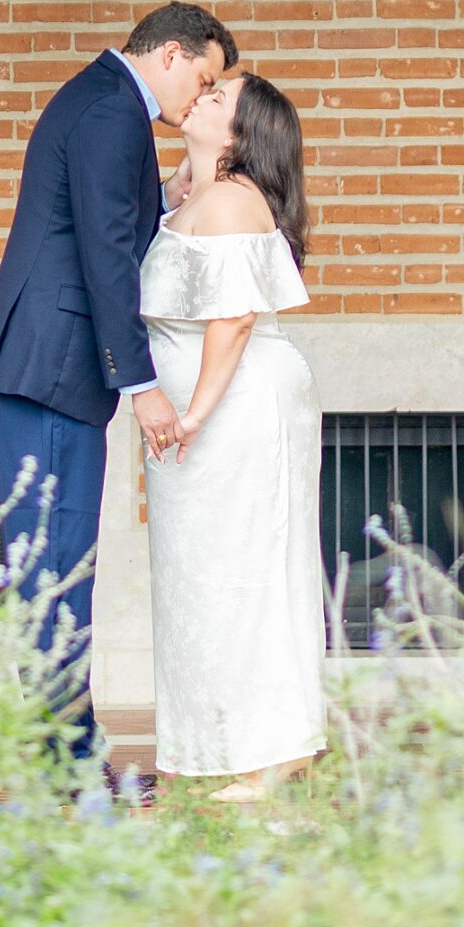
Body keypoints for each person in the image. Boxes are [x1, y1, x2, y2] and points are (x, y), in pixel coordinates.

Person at [0, 0, 239, 777]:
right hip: (54, 365)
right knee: (57, 566)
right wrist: (143, 385)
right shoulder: (112, 111)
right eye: (203, 78)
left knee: (49, 564)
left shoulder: (101, 100)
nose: (197, 97)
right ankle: (69, 765)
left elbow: (103, 219)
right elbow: (104, 256)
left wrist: (165, 195)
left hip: (42, 361)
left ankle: (60, 754)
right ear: (172, 55)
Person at [140, 68, 324, 798]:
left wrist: (193, 414)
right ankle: (221, 745)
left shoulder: (229, 201)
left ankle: (269, 751)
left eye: (218, 97)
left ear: (242, 133)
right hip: (206, 415)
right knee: (201, 575)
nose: (201, 96)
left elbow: (234, 317)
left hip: (235, 410)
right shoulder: (201, 194)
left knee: (246, 569)